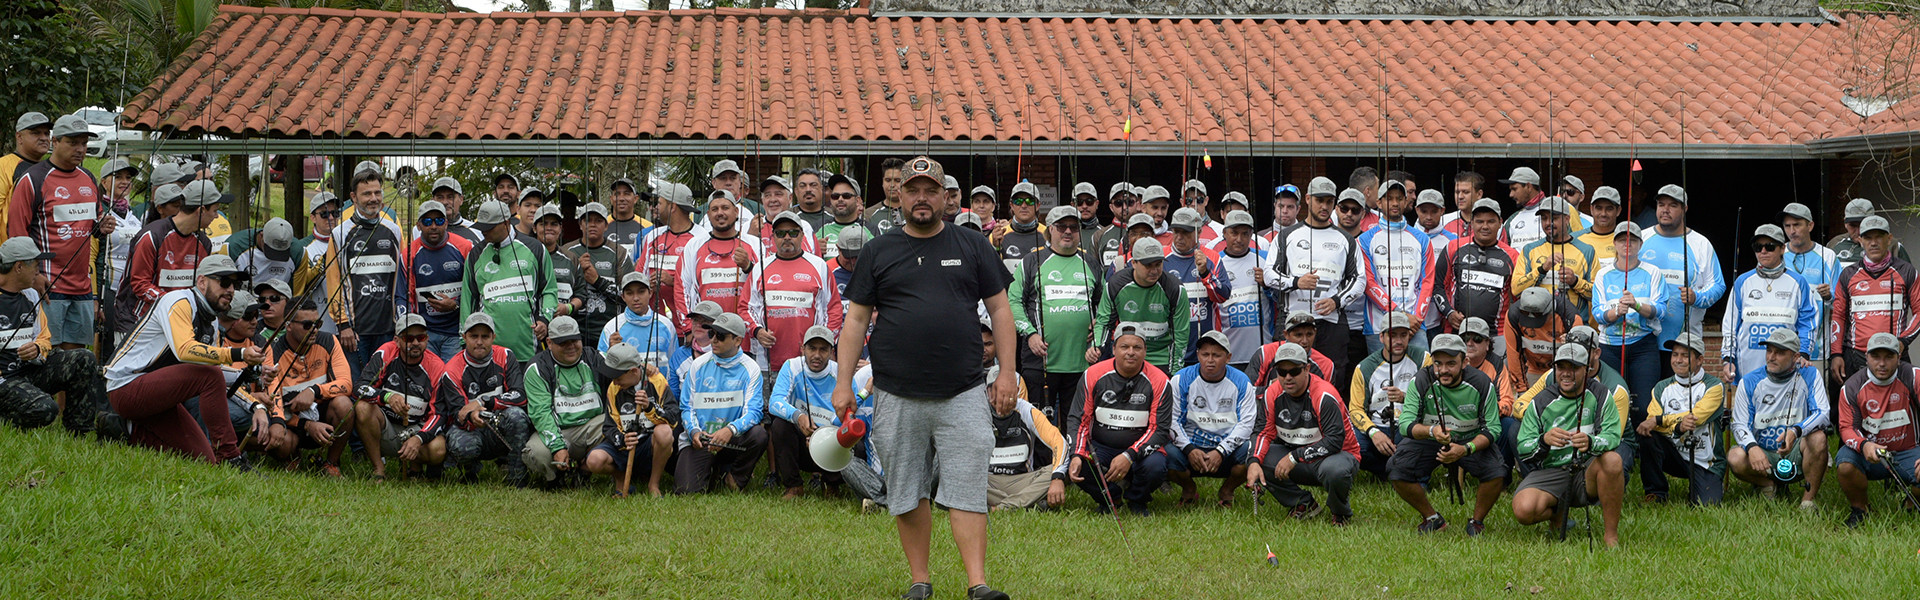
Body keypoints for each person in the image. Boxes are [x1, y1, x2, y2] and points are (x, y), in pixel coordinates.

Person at [831, 156, 1016, 600]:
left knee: (967, 485)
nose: (921, 198)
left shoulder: (972, 245)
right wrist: (842, 384)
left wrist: (1007, 372)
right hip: (896, 391)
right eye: (912, 190)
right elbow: (855, 321)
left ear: (945, 197)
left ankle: (978, 584)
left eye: (930, 190)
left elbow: (1001, 311)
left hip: (965, 390)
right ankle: (920, 580)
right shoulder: (879, 249)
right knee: (907, 487)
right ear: (899, 195)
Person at [105, 255, 265, 466]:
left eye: (234, 284)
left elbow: (216, 371)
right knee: (209, 376)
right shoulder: (178, 301)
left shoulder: (212, 321)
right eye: (224, 282)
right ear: (201, 282)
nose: (230, 290)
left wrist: (255, 400)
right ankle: (231, 456)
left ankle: (122, 428)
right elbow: (184, 350)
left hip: (159, 395)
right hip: (126, 387)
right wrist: (239, 355)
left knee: (204, 458)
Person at [7, 114, 115, 350]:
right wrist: (32, 278)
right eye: (73, 142)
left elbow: (94, 223)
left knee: (76, 363)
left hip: (83, 288)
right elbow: (16, 236)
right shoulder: (33, 179)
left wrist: (102, 226)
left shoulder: (88, 177)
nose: (80, 149)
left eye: (84, 143)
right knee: (47, 359)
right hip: (48, 287)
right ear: (55, 141)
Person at [1389, 334, 1507, 535]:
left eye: (1451, 363)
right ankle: (1432, 518)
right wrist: (1431, 431)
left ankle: (1477, 522)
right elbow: (1405, 424)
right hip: (1431, 437)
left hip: (1469, 439)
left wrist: (1465, 449)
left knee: (1497, 472)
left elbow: (1493, 429)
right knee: (1395, 468)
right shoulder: (1420, 381)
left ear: (1465, 362)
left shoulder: (1482, 383)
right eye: (1438, 363)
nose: (1443, 370)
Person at [1511, 344, 1626, 547]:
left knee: (1613, 460)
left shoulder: (1601, 394)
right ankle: (1557, 514)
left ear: (1586, 370)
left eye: (1573, 368)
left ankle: (1611, 536)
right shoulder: (1541, 401)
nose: (1566, 374)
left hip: (1586, 470)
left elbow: (1613, 436)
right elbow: (1523, 447)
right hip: (1551, 471)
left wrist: (1591, 442)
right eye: (1560, 367)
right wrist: (1544, 440)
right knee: (1523, 510)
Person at [1057, 328, 1171, 515]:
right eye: (1124, 346)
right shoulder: (1092, 374)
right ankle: (1112, 498)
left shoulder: (1160, 380)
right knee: (1080, 465)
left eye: (1137, 347)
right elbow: (1078, 419)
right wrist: (1076, 453)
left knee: (1156, 467)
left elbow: (1159, 429)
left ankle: (1137, 499)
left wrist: (1129, 455)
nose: (1131, 352)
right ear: (1114, 349)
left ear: (1145, 351)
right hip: (1102, 446)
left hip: (1140, 449)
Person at [1244, 342, 1360, 524]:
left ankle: (1340, 512)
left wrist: (1294, 457)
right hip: (1295, 454)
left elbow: (1334, 441)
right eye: (1282, 372)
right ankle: (1303, 504)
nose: (1288, 377)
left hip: (1336, 456)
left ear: (1306, 368)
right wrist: (1253, 461)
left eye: (1294, 371)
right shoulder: (1271, 394)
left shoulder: (1324, 395)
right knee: (1257, 456)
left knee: (1335, 471)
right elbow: (1263, 432)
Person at [1009, 205, 1102, 425]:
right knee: (1041, 424)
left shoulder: (1090, 263)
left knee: (1077, 423)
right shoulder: (1031, 261)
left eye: (1073, 227)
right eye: (1061, 227)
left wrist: (1097, 331)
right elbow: (1012, 301)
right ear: (1050, 229)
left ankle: (1074, 460)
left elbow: (1104, 307)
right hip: (1040, 362)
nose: (1068, 231)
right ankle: (1045, 461)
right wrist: (1030, 334)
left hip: (1081, 363)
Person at [0, 238, 103, 434]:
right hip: (4, 380)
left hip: (30, 371)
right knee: (46, 410)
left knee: (84, 358)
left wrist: (37, 349)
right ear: (19, 267)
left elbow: (44, 338)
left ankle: (79, 431)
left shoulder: (30, 295)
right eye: (36, 265)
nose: (38, 272)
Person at [1263, 177, 1363, 378]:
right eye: (1319, 200)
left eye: (1329, 201)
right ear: (1308, 199)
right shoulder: (1286, 236)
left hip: (1331, 323)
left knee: (1334, 377)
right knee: (1287, 373)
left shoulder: (1346, 240)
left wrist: (1336, 301)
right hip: (1293, 320)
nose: (1324, 206)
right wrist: (1295, 282)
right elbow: (1268, 274)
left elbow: (1358, 279)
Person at [1728, 329, 1830, 507]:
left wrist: (1795, 431)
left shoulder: (1810, 375)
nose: (1771, 357)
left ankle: (1807, 502)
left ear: (1796, 356)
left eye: (1780, 352)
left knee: (1819, 438)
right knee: (1735, 456)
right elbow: (1739, 424)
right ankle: (1768, 485)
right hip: (1763, 454)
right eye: (1769, 351)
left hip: (1796, 451)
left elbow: (1822, 413)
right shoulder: (1749, 381)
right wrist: (1752, 447)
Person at [1591, 222, 1670, 446]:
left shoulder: (1652, 272)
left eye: (1633, 240)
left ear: (1640, 244)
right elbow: (1597, 313)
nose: (1628, 244)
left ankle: (1642, 449)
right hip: (1610, 346)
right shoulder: (1603, 274)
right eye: (1622, 240)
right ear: (1615, 244)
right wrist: (1616, 312)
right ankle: (1614, 445)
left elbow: (1661, 311)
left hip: (1643, 345)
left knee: (1644, 403)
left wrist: (1636, 306)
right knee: (1611, 399)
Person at [327, 167, 408, 380]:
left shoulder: (394, 231)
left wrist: (401, 322)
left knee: (384, 387)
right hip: (354, 333)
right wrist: (343, 324)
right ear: (353, 197)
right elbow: (334, 283)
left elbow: (403, 280)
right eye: (367, 194)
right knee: (357, 389)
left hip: (388, 330)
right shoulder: (339, 234)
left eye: (377, 193)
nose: (374, 199)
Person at [675, 312, 768, 493]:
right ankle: (710, 472)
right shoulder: (698, 365)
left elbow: (754, 412)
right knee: (686, 492)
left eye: (721, 336)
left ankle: (734, 478)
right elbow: (686, 406)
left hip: (731, 439)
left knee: (759, 435)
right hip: (701, 440)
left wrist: (729, 430)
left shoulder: (751, 368)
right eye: (712, 334)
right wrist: (694, 432)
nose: (714, 340)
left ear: (737, 340)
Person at [261, 300, 355, 477]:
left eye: (317, 324)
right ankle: (292, 456)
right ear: (288, 325)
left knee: (344, 404)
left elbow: (346, 384)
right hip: (291, 421)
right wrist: (307, 425)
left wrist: (314, 391)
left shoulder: (329, 341)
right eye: (307, 325)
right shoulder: (273, 352)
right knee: (284, 441)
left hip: (323, 414)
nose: (314, 329)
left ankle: (331, 463)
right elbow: (273, 403)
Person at [1835, 333, 1920, 527]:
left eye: (1888, 357)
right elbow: (1847, 428)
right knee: (1845, 463)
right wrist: (1863, 445)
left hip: (1909, 451)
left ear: (1899, 358)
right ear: (1866, 358)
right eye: (1876, 357)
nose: (1882, 363)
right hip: (1872, 454)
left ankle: (1910, 505)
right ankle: (1861, 509)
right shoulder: (1851, 387)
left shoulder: (1914, 377)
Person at [1166, 331, 1259, 508]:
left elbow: (1246, 425)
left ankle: (1227, 490)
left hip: (1227, 449)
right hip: (1191, 448)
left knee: (1251, 451)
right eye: (1205, 354)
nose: (1210, 360)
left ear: (1228, 357)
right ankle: (1189, 489)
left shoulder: (1242, 382)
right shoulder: (1180, 379)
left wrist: (1221, 451)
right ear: (1197, 355)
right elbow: (1172, 420)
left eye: (1216, 355)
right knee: (1165, 454)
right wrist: (1189, 449)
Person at [439, 312, 533, 486]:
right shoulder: (451, 369)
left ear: (494, 337)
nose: (480, 342)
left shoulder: (505, 356)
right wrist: (472, 417)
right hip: (468, 429)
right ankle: (469, 473)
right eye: (474, 336)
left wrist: (484, 402)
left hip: (498, 424)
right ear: (464, 337)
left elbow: (520, 395)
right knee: (464, 446)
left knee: (517, 416)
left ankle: (517, 477)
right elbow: (458, 413)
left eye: (485, 336)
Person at [351, 314, 449, 481]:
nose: (416, 343)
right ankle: (378, 469)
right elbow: (358, 388)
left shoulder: (437, 366)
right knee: (362, 407)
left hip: (417, 427)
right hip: (386, 425)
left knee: (439, 449)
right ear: (396, 340)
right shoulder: (386, 352)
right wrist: (386, 397)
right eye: (409, 338)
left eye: (421, 337)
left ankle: (415, 466)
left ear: (427, 339)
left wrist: (419, 438)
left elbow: (440, 414)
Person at [1722, 224, 1820, 390]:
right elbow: (1730, 325)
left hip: (1786, 372)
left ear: (1782, 248)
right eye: (1758, 247)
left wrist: (1803, 354)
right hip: (1747, 369)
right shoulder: (1742, 282)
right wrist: (1728, 359)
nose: (1763, 251)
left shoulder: (1798, 282)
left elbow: (1808, 323)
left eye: (1770, 246)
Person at [745, 211, 843, 375]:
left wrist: (821, 343)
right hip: (768, 363)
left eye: (793, 232)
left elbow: (833, 309)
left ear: (802, 235)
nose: (787, 237)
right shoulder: (760, 267)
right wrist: (757, 331)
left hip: (811, 362)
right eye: (781, 233)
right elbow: (745, 308)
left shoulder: (819, 266)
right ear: (773, 237)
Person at [117, 179, 220, 332]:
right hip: (137, 322)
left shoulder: (204, 243)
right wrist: (175, 303)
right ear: (201, 210)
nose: (217, 216)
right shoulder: (152, 236)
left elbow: (200, 286)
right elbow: (139, 284)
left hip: (178, 324)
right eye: (215, 210)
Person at [1636, 333, 1726, 505]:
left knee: (1707, 505)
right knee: (1648, 436)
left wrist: (1661, 420)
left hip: (1705, 460)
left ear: (1699, 360)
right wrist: (1675, 426)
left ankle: (1710, 483)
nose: (1678, 360)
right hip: (1674, 454)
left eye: (1685, 356)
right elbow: (1651, 422)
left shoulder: (1714, 386)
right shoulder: (1661, 387)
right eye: (1675, 354)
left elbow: (1696, 418)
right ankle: (1656, 492)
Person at [1637, 185, 1725, 361]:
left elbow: (1718, 285)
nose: (1665, 210)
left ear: (1684, 209)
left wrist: (1696, 298)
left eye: (1673, 205)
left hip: (1685, 345)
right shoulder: (1641, 239)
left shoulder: (1700, 243)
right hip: (1643, 343)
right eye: (1661, 204)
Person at [460, 200, 557, 360]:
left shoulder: (535, 248)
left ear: (505, 223)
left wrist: (545, 319)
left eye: (489, 228)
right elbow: (468, 299)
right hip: (488, 354)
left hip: (528, 350)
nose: (484, 232)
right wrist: (463, 339)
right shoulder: (475, 254)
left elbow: (549, 290)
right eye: (481, 227)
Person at [1829, 215, 1920, 384]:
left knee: (1901, 408)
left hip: (1894, 355)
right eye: (1868, 237)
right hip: (1856, 356)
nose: (1873, 242)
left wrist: (1903, 341)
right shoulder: (1848, 274)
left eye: (1879, 236)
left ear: (1889, 238)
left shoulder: (1906, 271)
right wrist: (1836, 354)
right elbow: (1838, 316)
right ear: (1860, 240)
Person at [520, 316, 609, 487]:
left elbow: (623, 376)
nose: (570, 346)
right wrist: (557, 447)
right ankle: (556, 479)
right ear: (549, 342)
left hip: (592, 426)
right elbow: (541, 413)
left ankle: (584, 470)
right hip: (558, 428)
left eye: (574, 340)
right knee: (535, 454)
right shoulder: (537, 367)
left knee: (618, 426)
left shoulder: (596, 357)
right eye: (563, 342)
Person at [765, 326, 846, 499]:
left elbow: (850, 412)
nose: (817, 355)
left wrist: (824, 435)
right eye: (812, 348)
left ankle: (831, 484)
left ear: (832, 352)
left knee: (853, 437)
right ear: (802, 349)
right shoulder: (791, 366)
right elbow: (774, 402)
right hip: (802, 443)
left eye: (823, 349)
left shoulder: (840, 373)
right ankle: (794, 487)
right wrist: (798, 416)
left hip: (831, 442)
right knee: (779, 424)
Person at [1356, 179, 1436, 352]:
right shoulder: (1364, 240)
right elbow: (1369, 283)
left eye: (1399, 198)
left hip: (1414, 325)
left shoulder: (1422, 239)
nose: (1394, 203)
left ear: (1406, 201)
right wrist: (1399, 315)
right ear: (1379, 202)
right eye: (1388, 198)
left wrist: (1416, 319)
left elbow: (1427, 283)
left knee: (1421, 377)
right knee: (1381, 377)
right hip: (1379, 325)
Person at [585, 343, 674, 497]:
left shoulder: (657, 381)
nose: (615, 381)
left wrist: (649, 407)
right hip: (625, 446)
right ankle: (620, 479)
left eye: (618, 377)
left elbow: (673, 419)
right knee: (594, 460)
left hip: (649, 445)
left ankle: (653, 484)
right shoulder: (614, 387)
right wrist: (622, 439)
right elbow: (608, 427)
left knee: (664, 432)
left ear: (634, 371)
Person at [1347, 311, 1426, 481]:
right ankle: (1388, 471)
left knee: (1420, 442)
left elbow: (1433, 399)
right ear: (1381, 337)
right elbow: (1355, 409)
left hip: (1408, 426)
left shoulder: (1423, 359)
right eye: (1392, 335)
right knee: (1352, 445)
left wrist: (1406, 398)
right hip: (1377, 426)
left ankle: (1403, 471)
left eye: (1403, 335)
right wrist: (1374, 432)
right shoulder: (1364, 368)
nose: (1398, 340)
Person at [1094, 238, 1190, 374]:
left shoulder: (1175, 289)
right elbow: (1103, 323)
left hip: (1160, 357)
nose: (1154, 270)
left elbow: (1181, 335)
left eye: (1158, 264)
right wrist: (1097, 347)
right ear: (1133, 263)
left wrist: (1175, 372)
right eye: (1148, 265)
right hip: (1127, 355)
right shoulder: (1115, 284)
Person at [1434, 198, 1517, 349]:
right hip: (1457, 331)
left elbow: (1518, 297)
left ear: (1500, 223)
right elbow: (1437, 285)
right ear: (1471, 223)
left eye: (1491, 221)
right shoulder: (1454, 247)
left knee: (1496, 373)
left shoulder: (1513, 256)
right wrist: (1449, 313)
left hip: (1496, 334)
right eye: (1479, 221)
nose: (1485, 226)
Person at [677, 190, 761, 329]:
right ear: (708, 215)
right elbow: (682, 289)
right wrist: (688, 329)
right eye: (714, 209)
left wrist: (748, 267)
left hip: (746, 333)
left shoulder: (755, 244)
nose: (720, 213)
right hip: (705, 333)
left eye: (725, 208)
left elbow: (766, 286)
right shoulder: (694, 245)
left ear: (736, 212)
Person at [1779, 202, 1841, 387]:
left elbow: (1840, 302)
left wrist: (1828, 296)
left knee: (1816, 403)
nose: (1792, 231)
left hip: (1817, 351)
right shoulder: (1776, 253)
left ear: (1810, 225)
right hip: (1781, 348)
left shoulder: (1828, 256)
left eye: (1797, 225)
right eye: (1787, 226)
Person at [1501, 287, 1584, 423]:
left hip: (1563, 371)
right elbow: (1513, 354)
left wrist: (1569, 344)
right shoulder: (1513, 315)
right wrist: (1522, 390)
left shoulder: (1570, 316)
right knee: (1531, 415)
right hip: (1534, 370)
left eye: (1539, 317)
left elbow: (1580, 356)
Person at [406, 200, 473, 361]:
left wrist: (455, 306)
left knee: (451, 380)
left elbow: (473, 292)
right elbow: (405, 295)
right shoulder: (409, 253)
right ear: (419, 225)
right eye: (427, 221)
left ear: (447, 223)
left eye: (439, 220)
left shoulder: (464, 247)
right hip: (425, 334)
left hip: (455, 332)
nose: (434, 226)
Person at [1164, 207, 1230, 367]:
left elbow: (1223, 296)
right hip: (1170, 349)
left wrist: (1205, 273)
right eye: (1176, 232)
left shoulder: (1212, 257)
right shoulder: (1162, 258)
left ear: (1198, 232)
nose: (1179, 237)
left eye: (1185, 232)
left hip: (1206, 351)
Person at [561, 201, 633, 339]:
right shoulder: (566, 252)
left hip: (610, 329)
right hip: (574, 330)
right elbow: (560, 291)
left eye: (598, 221)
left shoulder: (619, 253)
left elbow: (628, 295)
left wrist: (597, 281)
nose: (592, 224)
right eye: (588, 220)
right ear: (580, 224)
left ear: (606, 226)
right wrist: (578, 273)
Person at [1510, 196, 1596, 312]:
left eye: (1554, 218)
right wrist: (1542, 270)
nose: (1548, 223)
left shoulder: (1587, 251)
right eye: (1544, 219)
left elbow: (1597, 295)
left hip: (1574, 323)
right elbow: (1516, 289)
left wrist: (1575, 281)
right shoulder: (1529, 250)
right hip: (1538, 322)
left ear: (1567, 219)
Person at [634, 182, 698, 330]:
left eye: (660, 203)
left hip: (689, 328)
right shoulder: (652, 236)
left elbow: (704, 286)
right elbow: (638, 277)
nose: (655, 207)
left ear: (673, 206)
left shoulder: (700, 238)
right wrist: (646, 285)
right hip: (654, 327)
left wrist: (673, 282)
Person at [1212, 210, 1268, 366]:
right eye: (1234, 233)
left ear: (1251, 235)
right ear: (1224, 233)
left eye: (1245, 234)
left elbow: (1280, 299)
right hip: (1228, 352)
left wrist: (1267, 285)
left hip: (1262, 351)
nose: (1239, 239)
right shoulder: (1215, 262)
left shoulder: (1265, 258)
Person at [600, 271, 681, 377]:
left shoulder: (666, 325)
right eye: (629, 293)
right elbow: (603, 369)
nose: (636, 298)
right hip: (627, 392)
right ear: (623, 296)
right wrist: (611, 352)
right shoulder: (611, 328)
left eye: (641, 292)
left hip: (661, 391)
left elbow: (674, 365)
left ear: (650, 293)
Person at [1498, 167, 1586, 250]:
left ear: (1528, 186)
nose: (1511, 194)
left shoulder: (1565, 209)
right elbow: (1505, 254)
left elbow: (1580, 245)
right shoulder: (1511, 220)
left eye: (1514, 189)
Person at [1247, 310, 1336, 384]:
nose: (1304, 341)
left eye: (1309, 334)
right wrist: (1272, 388)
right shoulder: (1265, 353)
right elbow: (1247, 392)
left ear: (1315, 333)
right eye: (1298, 335)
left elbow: (1329, 395)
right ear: (1286, 334)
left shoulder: (1326, 365)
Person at [0, 113, 51, 234]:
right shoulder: (4, 166)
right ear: (19, 137)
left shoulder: (51, 169)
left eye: (47, 133)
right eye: (36, 133)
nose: (44, 138)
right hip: (12, 249)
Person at [1830, 198, 1910, 270]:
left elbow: (1909, 276)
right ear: (1845, 223)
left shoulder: (1892, 244)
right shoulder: (1834, 243)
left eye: (1862, 225)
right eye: (1853, 225)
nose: (1858, 231)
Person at [748, 176, 816, 258]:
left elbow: (813, 261)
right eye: (767, 195)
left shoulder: (803, 226)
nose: (772, 200)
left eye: (778, 194)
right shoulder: (750, 226)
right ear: (762, 200)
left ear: (790, 198)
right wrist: (751, 236)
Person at [990, 181, 1048, 277]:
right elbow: (991, 271)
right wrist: (996, 248)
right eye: (1018, 201)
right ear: (1011, 205)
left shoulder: (1048, 234)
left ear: (1038, 206)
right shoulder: (998, 234)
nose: (1024, 206)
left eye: (1030, 201)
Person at [229, 218, 299, 288]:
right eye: (271, 250)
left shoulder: (298, 252)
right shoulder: (233, 247)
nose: (275, 256)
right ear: (261, 235)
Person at [408, 177, 479, 244]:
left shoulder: (476, 230)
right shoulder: (419, 230)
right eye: (440, 197)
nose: (445, 202)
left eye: (450, 197)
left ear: (461, 199)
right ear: (433, 200)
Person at [814, 172, 865, 260]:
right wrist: (814, 250)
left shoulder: (871, 230)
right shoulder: (818, 227)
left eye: (846, 196)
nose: (840, 199)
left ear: (857, 200)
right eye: (835, 196)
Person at [1574, 187, 1625, 265]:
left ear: (1618, 211)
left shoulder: (1628, 241)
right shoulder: (1575, 239)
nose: (1603, 214)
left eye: (1609, 209)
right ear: (1591, 209)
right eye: (1599, 208)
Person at [1094, 183, 1138, 269]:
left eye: (1130, 202)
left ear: (1137, 204)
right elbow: (1094, 269)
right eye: (1119, 203)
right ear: (1111, 207)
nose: (1124, 207)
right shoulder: (1099, 235)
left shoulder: (1148, 232)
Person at [862, 157, 906, 237]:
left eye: (897, 180)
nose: (892, 185)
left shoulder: (914, 211)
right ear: (882, 182)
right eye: (888, 180)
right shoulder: (868, 214)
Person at [604, 178, 652, 248]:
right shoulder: (601, 226)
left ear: (635, 199)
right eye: (617, 194)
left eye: (627, 194)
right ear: (611, 199)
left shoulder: (648, 228)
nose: (621, 198)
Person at [1436, 171, 1484, 239]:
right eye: (1457, 192)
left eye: (1466, 192)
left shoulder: (1492, 224)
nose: (1460, 196)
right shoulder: (1443, 222)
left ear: (1479, 194)